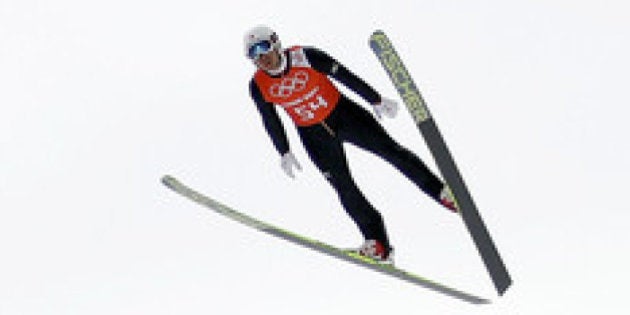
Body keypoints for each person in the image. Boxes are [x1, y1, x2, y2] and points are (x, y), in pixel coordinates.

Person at [244, 25, 457, 264]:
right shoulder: (258, 86)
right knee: (344, 188)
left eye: (264, 50)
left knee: (391, 152)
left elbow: (344, 76)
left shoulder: (306, 57)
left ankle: (442, 193)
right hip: (314, 136)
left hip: (345, 116)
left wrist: (374, 98)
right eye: (254, 56)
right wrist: (283, 150)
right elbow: (270, 119)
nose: (263, 59)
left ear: (276, 43)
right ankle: (378, 244)